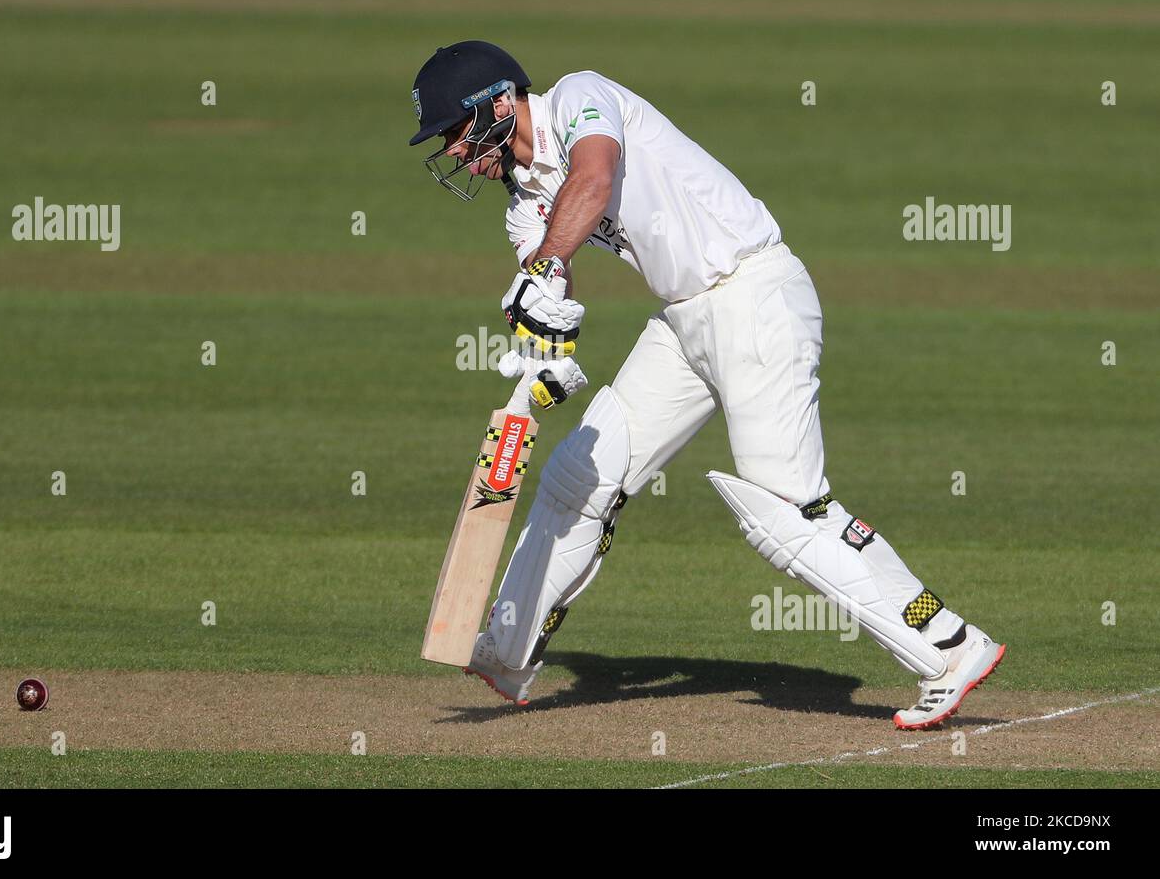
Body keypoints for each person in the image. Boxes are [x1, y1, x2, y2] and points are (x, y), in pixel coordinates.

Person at [407, 40, 1005, 729]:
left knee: (784, 511)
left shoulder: (579, 97)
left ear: (501, 102)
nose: (453, 151)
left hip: (753, 294)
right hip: (685, 320)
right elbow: (554, 289)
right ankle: (506, 652)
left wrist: (542, 273)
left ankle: (949, 647)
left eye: (455, 131)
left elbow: (593, 181)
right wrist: (544, 355)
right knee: (580, 476)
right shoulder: (521, 205)